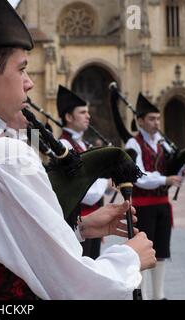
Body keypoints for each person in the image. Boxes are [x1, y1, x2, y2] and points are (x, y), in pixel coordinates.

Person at [0, 0, 155, 299]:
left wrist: (78, 229)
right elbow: (75, 288)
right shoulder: (3, 154)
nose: (30, 82)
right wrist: (130, 258)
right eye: (22, 69)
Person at [125, 93, 185, 300]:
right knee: (143, 252)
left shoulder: (163, 143)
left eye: (158, 118)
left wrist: (181, 171)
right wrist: (166, 180)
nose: (156, 122)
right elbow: (139, 176)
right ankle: (143, 297)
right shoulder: (133, 144)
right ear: (140, 121)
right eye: (152, 119)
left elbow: (169, 169)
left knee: (161, 251)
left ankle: (159, 295)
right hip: (143, 207)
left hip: (163, 205)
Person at [57, 85, 111, 259]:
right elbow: (82, 190)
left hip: (93, 218)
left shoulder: (83, 145)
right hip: (78, 222)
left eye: (87, 112)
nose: (88, 116)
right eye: (82, 112)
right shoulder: (63, 147)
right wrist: (107, 183)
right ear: (68, 116)